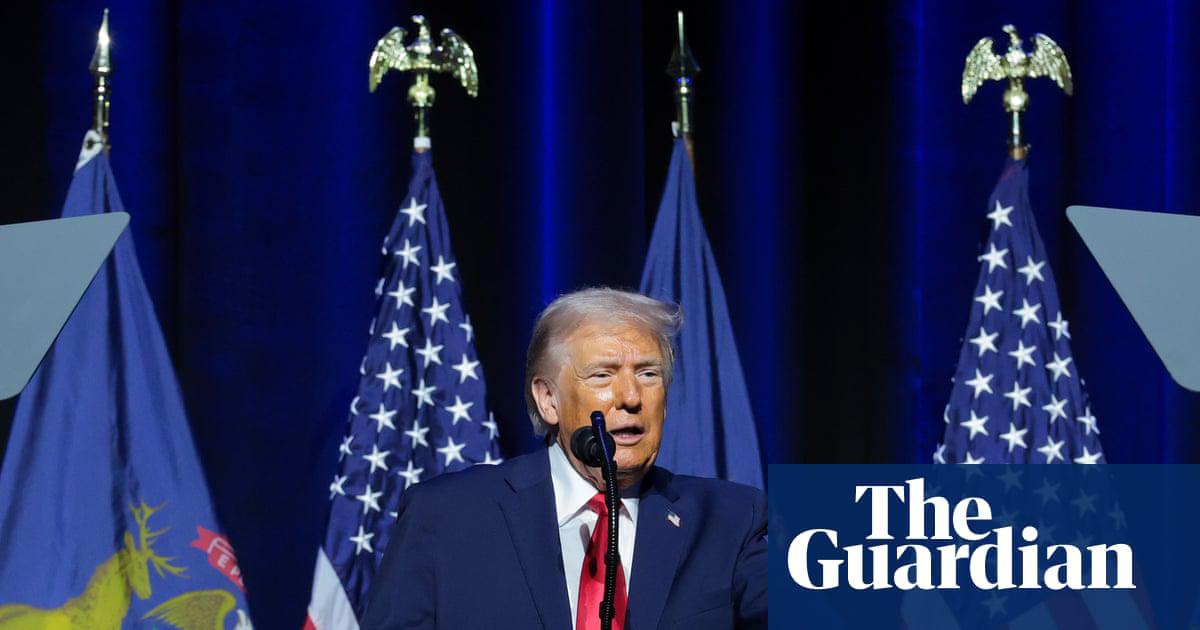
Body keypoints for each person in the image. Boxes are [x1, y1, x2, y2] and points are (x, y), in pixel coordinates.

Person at [364, 288, 767, 629]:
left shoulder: (732, 518)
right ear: (548, 400)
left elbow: (822, 614)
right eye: (602, 375)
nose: (631, 398)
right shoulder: (447, 515)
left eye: (648, 373)